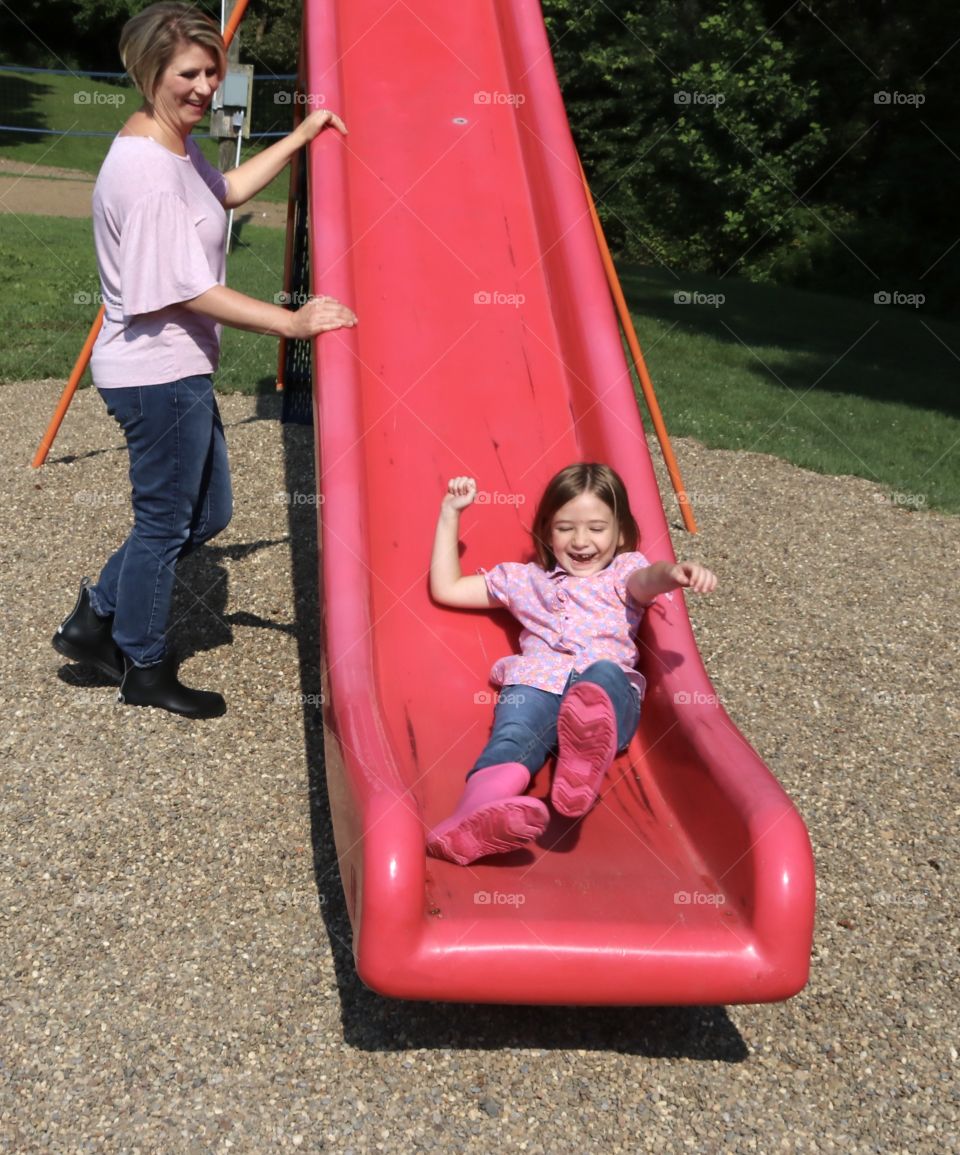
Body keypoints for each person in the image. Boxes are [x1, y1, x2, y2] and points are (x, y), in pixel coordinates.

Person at [52, 2, 357, 719]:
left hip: (177, 368)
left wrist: (302, 135)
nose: (205, 88)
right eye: (188, 74)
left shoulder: (173, 145)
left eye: (211, 73)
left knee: (208, 512)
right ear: (148, 71)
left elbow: (228, 191)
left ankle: (94, 617)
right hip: (155, 374)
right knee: (164, 524)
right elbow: (187, 289)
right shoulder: (147, 172)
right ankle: (143, 663)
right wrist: (291, 321)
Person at [426, 463, 717, 865]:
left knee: (603, 676)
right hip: (537, 683)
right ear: (547, 531)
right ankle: (472, 816)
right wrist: (450, 513)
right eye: (565, 528)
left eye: (597, 528)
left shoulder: (623, 574)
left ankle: (583, 757)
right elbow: (448, 588)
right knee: (512, 737)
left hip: (606, 693)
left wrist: (673, 572)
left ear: (620, 534)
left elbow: (648, 579)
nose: (581, 541)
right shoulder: (525, 581)